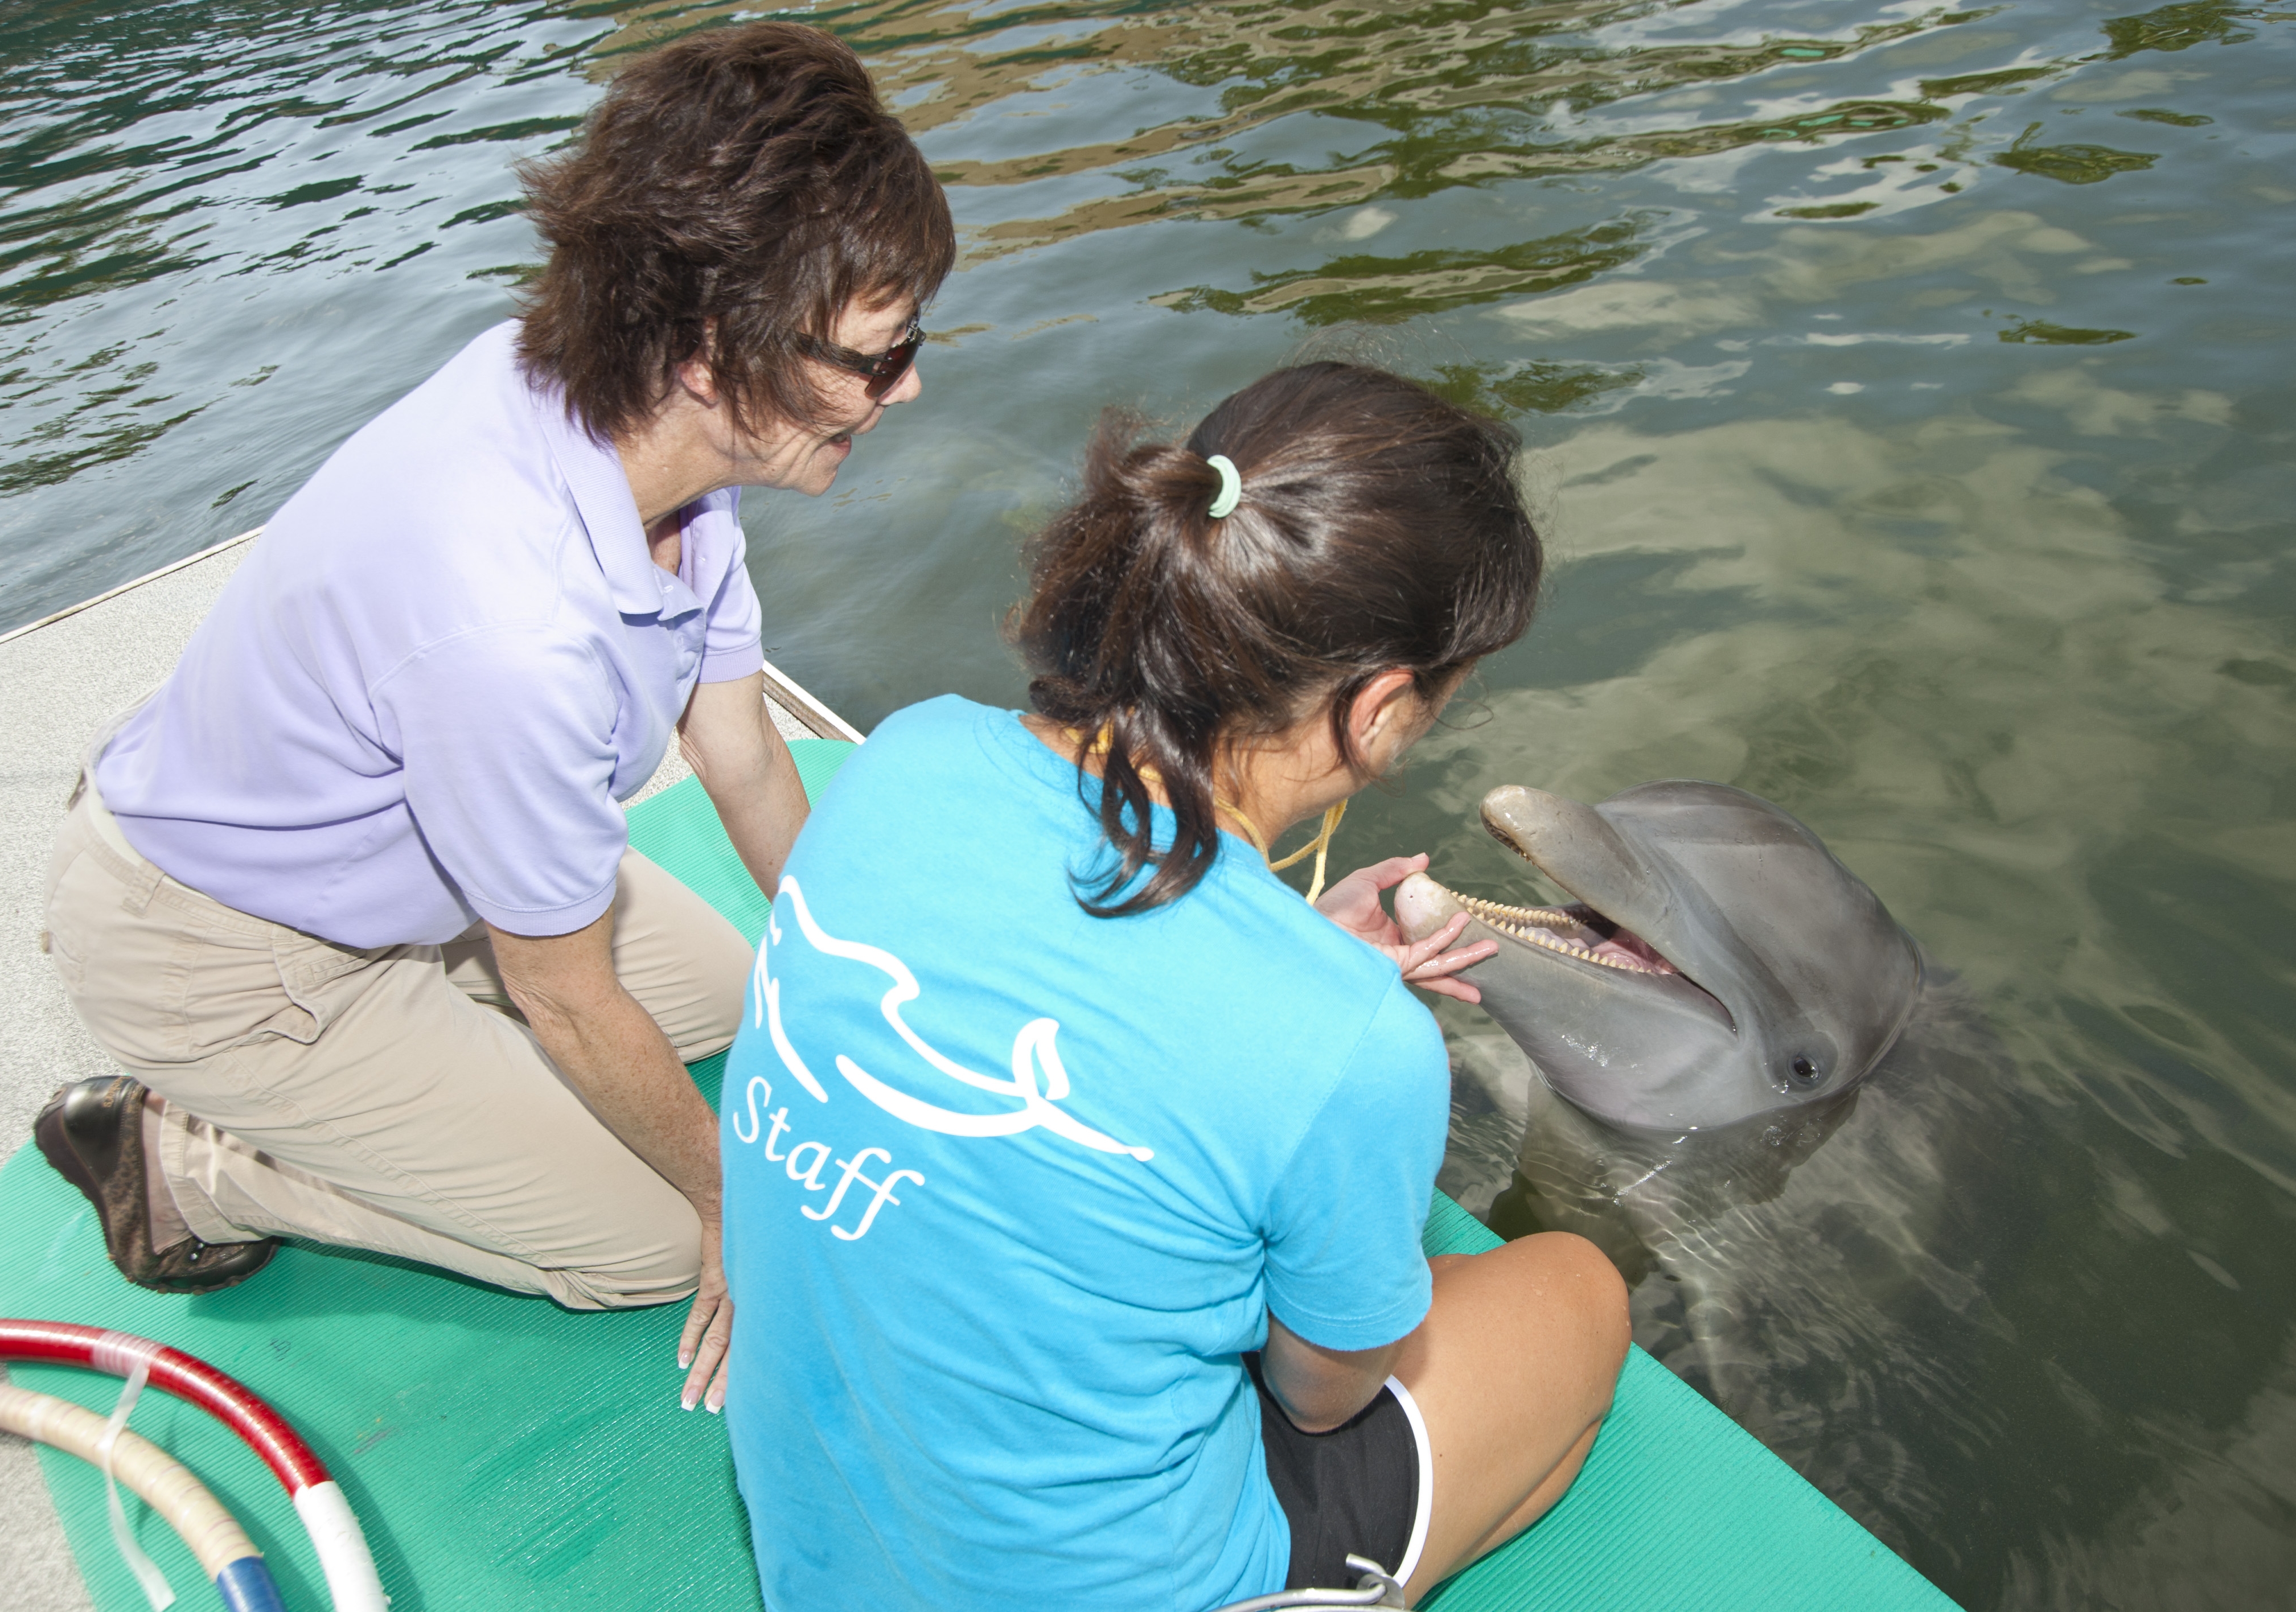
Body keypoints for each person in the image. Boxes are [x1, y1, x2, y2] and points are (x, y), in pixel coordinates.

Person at [33, 22, 949, 1414]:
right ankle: (190, 1163)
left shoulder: (633, 430)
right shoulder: (509, 625)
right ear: (715, 353)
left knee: (745, 994)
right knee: (653, 1240)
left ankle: (439, 1067)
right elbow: (571, 1000)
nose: (910, 389)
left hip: (431, 868)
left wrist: (879, 989)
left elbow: (742, 748)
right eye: (881, 358)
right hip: (229, 954)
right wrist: (730, 1212)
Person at [718, 363, 1631, 1610]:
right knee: (1575, 1293)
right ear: (1376, 710)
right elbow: (1321, 1398)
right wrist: (1326, 1022)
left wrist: (1296, 959)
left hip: (825, 1566)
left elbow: (1081, 982)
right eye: (1444, 690)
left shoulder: (900, 755)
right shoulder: (1352, 1042)